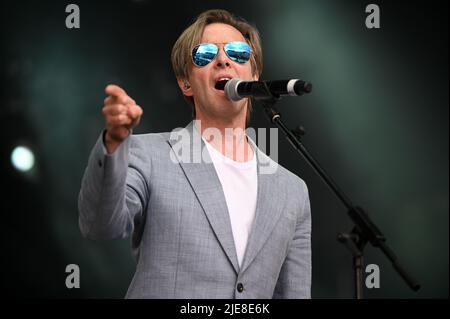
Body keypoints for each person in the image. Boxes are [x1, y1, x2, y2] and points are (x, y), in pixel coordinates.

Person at [78, 9, 311, 299]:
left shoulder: (293, 191)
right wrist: (113, 142)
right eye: (205, 54)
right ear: (185, 82)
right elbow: (100, 226)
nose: (223, 59)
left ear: (254, 74)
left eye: (239, 53)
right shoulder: (148, 155)